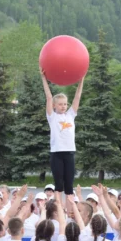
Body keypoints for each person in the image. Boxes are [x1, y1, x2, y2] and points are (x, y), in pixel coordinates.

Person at [41, 67, 85, 200]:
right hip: (57, 154)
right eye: (60, 104)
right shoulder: (52, 117)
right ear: (55, 106)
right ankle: (58, 209)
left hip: (69, 152)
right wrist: (44, 78)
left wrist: (81, 80)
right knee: (59, 185)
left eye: (65, 104)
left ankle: (70, 210)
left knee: (69, 186)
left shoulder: (71, 115)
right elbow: (49, 97)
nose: (63, 106)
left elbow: (77, 97)